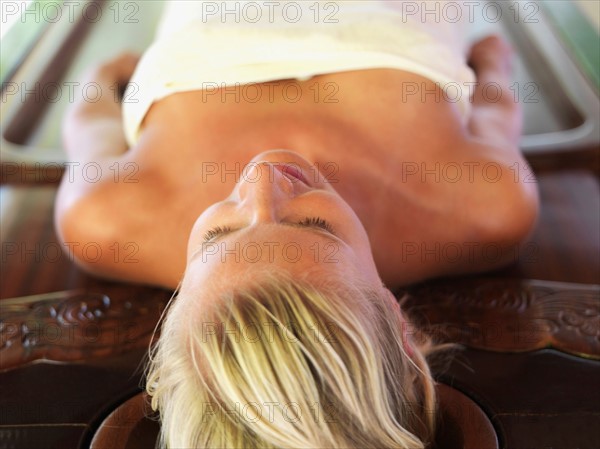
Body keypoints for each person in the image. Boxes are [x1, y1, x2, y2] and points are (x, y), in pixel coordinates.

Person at [54, 1, 539, 447]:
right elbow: (498, 109)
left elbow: (90, 113)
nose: (264, 175)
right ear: (402, 332)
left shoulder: (103, 221)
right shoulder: (485, 207)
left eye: (219, 235)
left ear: (169, 331)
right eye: (315, 225)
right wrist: (493, 62)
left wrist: (109, 70)